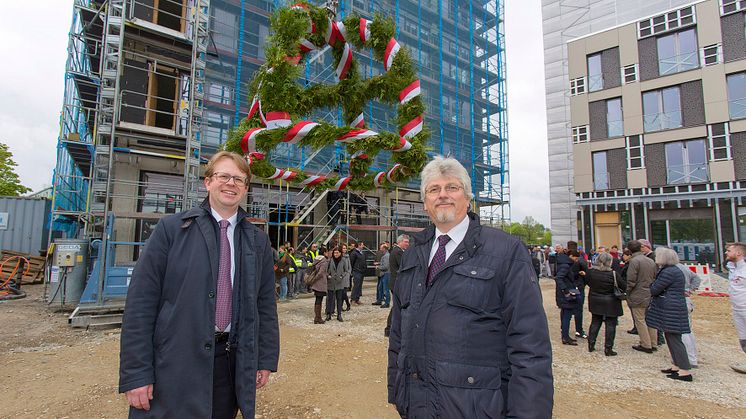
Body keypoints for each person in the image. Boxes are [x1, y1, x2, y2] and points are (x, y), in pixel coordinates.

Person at [388, 156, 553, 418]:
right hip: (417, 405)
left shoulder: (507, 252)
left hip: (477, 408)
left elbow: (530, 347)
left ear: (468, 198)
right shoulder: (413, 254)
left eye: (452, 188)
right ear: (425, 203)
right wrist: (397, 392)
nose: (443, 195)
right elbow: (398, 331)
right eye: (434, 189)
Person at [119, 151, 279, 418]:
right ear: (207, 183)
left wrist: (263, 359)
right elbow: (140, 306)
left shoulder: (257, 241)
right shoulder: (172, 230)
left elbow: (264, 307)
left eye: (239, 179)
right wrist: (136, 373)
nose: (231, 183)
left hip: (228, 363)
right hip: (175, 362)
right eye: (224, 176)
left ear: (246, 188)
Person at [646, 247, 693, 381]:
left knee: (674, 339)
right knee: (671, 337)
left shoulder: (669, 272)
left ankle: (684, 370)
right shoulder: (672, 270)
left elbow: (655, 289)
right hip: (672, 306)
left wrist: (651, 285)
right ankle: (677, 366)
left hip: (670, 308)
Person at [585, 252, 626, 356]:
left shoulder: (591, 272)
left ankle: (591, 344)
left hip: (595, 299)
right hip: (611, 300)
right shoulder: (613, 274)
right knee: (610, 324)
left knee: (595, 322)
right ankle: (608, 348)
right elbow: (623, 286)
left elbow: (588, 282)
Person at [625, 239, 659, 353]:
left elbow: (631, 279)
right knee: (650, 319)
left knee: (640, 320)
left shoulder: (634, 261)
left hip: (637, 293)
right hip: (649, 292)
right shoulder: (650, 261)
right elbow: (655, 276)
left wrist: (628, 292)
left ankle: (645, 344)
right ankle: (653, 342)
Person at [725, 242, 746, 373]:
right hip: (736, 308)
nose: (726, 252)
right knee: (743, 337)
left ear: (738, 253)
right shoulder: (733, 268)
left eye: (729, 250)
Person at [555, 249, 583, 345]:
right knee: (567, 316)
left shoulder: (563, 263)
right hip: (566, 295)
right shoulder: (566, 265)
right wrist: (566, 290)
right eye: (576, 257)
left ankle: (565, 335)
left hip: (563, 294)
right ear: (571, 256)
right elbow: (559, 278)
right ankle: (565, 337)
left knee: (565, 315)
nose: (576, 260)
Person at [384, 234, 410, 337]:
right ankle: (389, 328)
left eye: (408, 242)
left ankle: (392, 328)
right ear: (399, 242)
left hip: (396, 283)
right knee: (397, 306)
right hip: (397, 284)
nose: (408, 244)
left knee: (397, 306)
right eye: (406, 242)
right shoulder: (398, 252)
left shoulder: (398, 251)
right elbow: (404, 266)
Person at [676, 261, 700, 367]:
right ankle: (692, 356)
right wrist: (690, 290)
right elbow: (697, 279)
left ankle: (689, 358)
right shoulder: (682, 267)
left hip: (679, 300)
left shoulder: (672, 269)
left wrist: (688, 290)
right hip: (685, 299)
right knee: (688, 330)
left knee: (682, 331)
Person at [326, 246, 351, 322]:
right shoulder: (330, 260)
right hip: (331, 282)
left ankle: (339, 314)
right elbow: (326, 270)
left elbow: (346, 270)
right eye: (334, 253)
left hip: (340, 282)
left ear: (340, 253)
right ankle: (329, 314)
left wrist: (341, 276)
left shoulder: (343, 260)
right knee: (330, 299)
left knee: (339, 299)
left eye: (337, 253)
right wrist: (328, 275)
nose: (336, 254)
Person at [309, 248, 331, 324]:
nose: (328, 253)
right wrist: (316, 279)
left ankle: (317, 317)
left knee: (317, 300)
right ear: (324, 252)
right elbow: (321, 272)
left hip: (316, 284)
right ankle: (318, 318)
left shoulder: (316, 259)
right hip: (320, 283)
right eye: (327, 252)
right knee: (319, 300)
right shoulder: (324, 261)